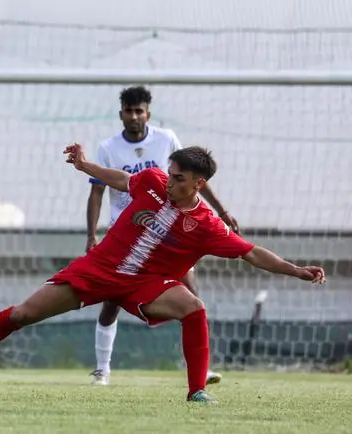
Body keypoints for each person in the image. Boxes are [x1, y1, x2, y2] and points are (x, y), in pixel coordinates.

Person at [0, 144, 325, 403]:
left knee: (194, 307)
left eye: (179, 178)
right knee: (21, 315)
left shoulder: (207, 224)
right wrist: (85, 165)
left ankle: (196, 391)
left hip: (145, 284)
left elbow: (252, 253)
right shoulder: (151, 181)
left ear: (198, 184)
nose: (169, 181)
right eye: (170, 174)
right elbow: (120, 178)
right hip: (98, 269)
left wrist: (296, 270)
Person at [86, 86, 238, 386]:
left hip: (170, 231)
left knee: (191, 294)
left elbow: (195, 178)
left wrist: (220, 210)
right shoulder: (108, 148)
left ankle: (200, 368)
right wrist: (91, 234)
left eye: (139, 110)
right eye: (128, 111)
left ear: (148, 113)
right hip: (127, 233)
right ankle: (102, 369)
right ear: (121, 115)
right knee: (111, 300)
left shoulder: (166, 140)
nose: (134, 116)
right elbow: (96, 192)